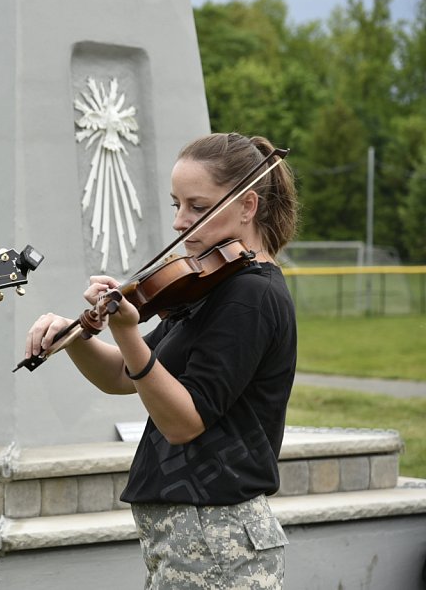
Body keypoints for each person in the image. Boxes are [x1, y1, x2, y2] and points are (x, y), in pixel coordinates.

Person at [24, 132, 300, 589]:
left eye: (197, 206)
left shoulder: (250, 296)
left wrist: (127, 330)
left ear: (247, 206)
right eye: (176, 204)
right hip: (193, 537)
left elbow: (184, 421)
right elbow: (123, 375)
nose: (179, 221)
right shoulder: (210, 287)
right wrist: (74, 337)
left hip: (218, 537)